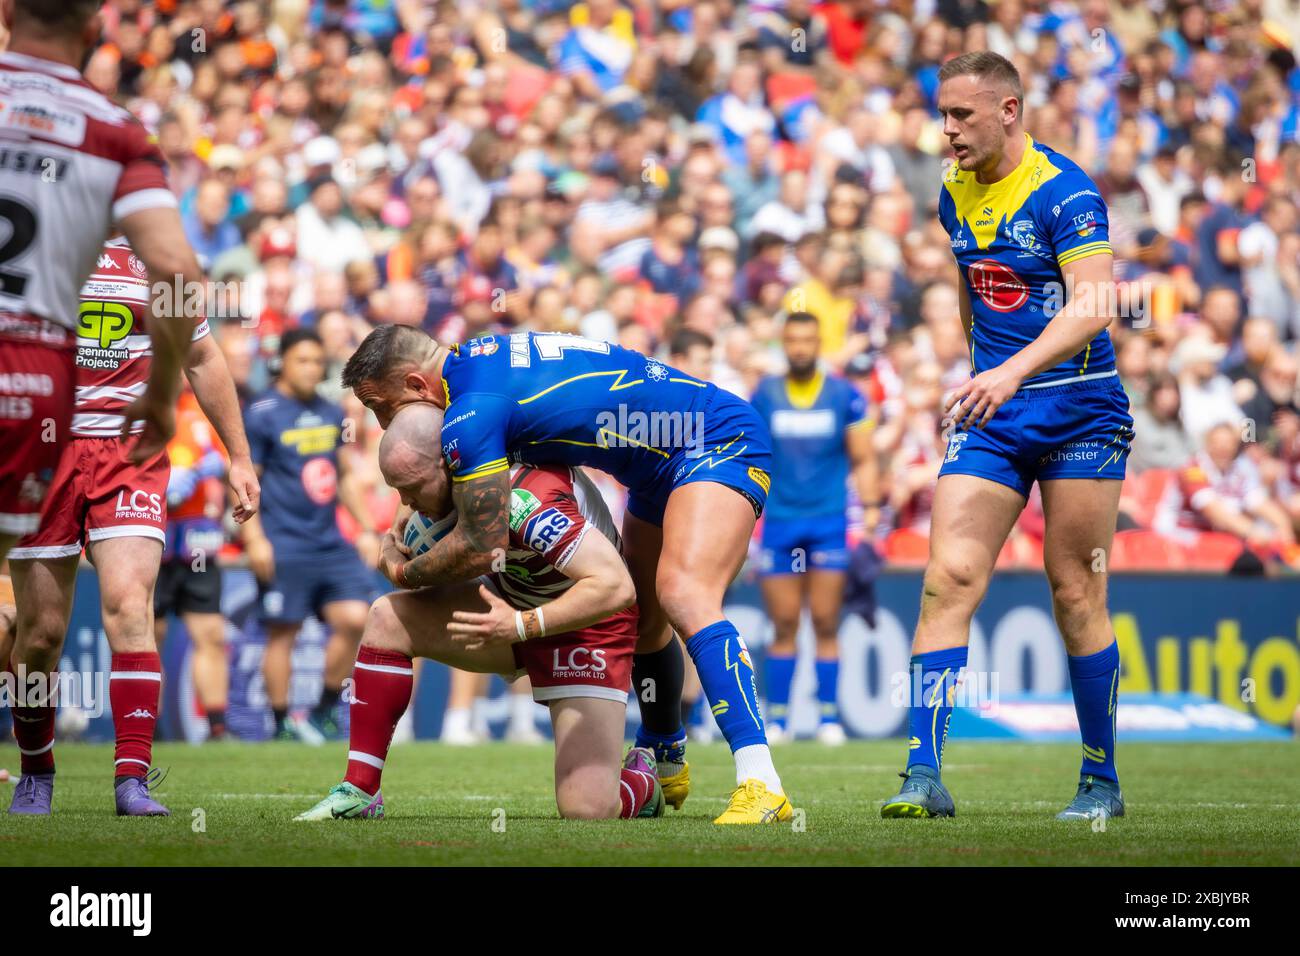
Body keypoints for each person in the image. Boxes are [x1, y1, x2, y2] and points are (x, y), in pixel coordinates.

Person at [343, 327, 792, 824]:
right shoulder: (476, 362)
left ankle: (761, 781)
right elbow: (449, 481)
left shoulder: (472, 410)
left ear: (415, 384)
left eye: (381, 408)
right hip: (655, 462)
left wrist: (404, 573)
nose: (383, 423)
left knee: (684, 594)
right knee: (645, 617)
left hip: (716, 438)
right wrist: (412, 508)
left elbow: (481, 543)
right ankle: (663, 757)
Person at [880, 52, 1135, 822]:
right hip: (995, 415)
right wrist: (978, 369)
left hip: (1081, 413)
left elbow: (1095, 304)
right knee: (946, 579)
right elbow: (969, 284)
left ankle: (1100, 782)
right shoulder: (953, 192)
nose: (947, 130)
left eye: (961, 115)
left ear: (1009, 111)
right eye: (942, 114)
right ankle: (922, 776)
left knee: (1074, 589)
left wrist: (1008, 371)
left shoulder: (1066, 192)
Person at [296, 403, 662, 821]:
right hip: (509, 606)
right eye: (397, 490)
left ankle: (642, 778)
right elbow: (425, 531)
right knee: (386, 618)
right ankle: (360, 791)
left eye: (411, 488)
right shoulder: (446, 484)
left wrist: (523, 624)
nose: (407, 503)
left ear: (449, 463)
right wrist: (394, 551)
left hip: (587, 624)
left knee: (588, 810)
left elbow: (616, 586)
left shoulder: (524, 500)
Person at [5, 237, 257, 816]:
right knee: (41, 633)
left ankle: (131, 780)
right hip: (41, 453)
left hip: (128, 451)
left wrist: (239, 456)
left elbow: (201, 357)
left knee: (128, 604)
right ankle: (36, 772)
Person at [0, 0, 196, 563]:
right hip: (34, 375)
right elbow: (178, 272)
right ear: (92, 29)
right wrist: (160, 398)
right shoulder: (116, 132)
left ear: (8, 15)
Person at [241, 329, 378, 743]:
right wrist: (254, 540)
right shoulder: (261, 413)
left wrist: (368, 530)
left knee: (357, 618)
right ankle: (281, 723)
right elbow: (247, 484)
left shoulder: (332, 412)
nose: (311, 369)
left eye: (318, 362)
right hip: (282, 542)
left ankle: (321, 710)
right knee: (284, 631)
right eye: (302, 360)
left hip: (330, 541)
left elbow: (344, 478)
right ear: (282, 362)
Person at [750, 312, 878, 744]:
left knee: (826, 621)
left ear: (819, 342)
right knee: (783, 624)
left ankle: (828, 718)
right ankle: (780, 719)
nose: (800, 347)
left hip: (828, 521)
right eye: (793, 340)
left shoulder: (845, 396)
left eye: (808, 339)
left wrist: (873, 509)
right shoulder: (764, 395)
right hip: (780, 523)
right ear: (783, 344)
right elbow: (753, 458)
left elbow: (863, 459)